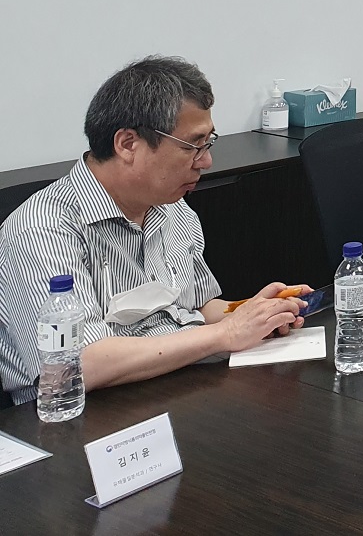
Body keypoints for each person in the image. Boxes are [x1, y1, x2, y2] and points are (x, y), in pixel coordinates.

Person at [0, 57, 310, 405]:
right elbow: (75, 365)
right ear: (127, 144)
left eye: (209, 144)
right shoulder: (43, 229)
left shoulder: (172, 207)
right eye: (192, 146)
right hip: (80, 418)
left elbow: (196, 306)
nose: (206, 161)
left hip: (173, 390)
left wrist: (247, 312)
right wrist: (225, 334)